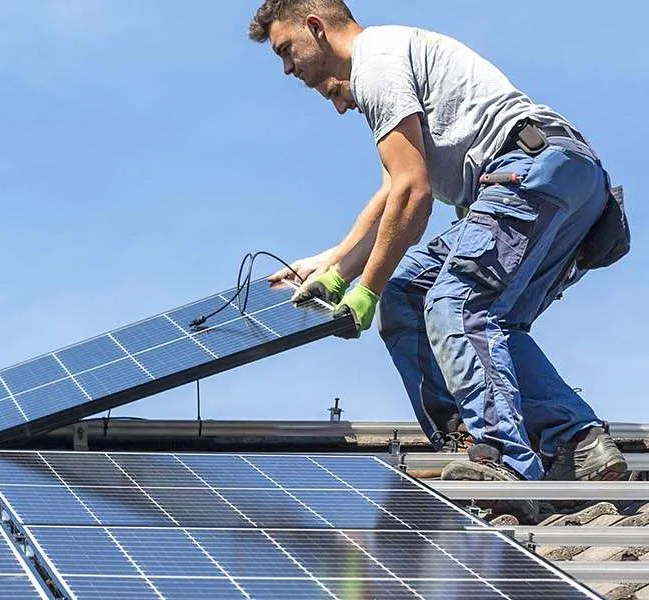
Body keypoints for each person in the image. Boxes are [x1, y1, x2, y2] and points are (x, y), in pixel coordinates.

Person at [249, 0, 627, 520]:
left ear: (315, 27)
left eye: (286, 51)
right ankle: (577, 443)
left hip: (525, 173)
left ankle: (500, 458)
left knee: (456, 303)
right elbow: (392, 192)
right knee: (419, 298)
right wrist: (334, 263)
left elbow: (413, 194)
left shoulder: (375, 61)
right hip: (564, 178)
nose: (288, 68)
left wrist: (363, 291)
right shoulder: (393, 57)